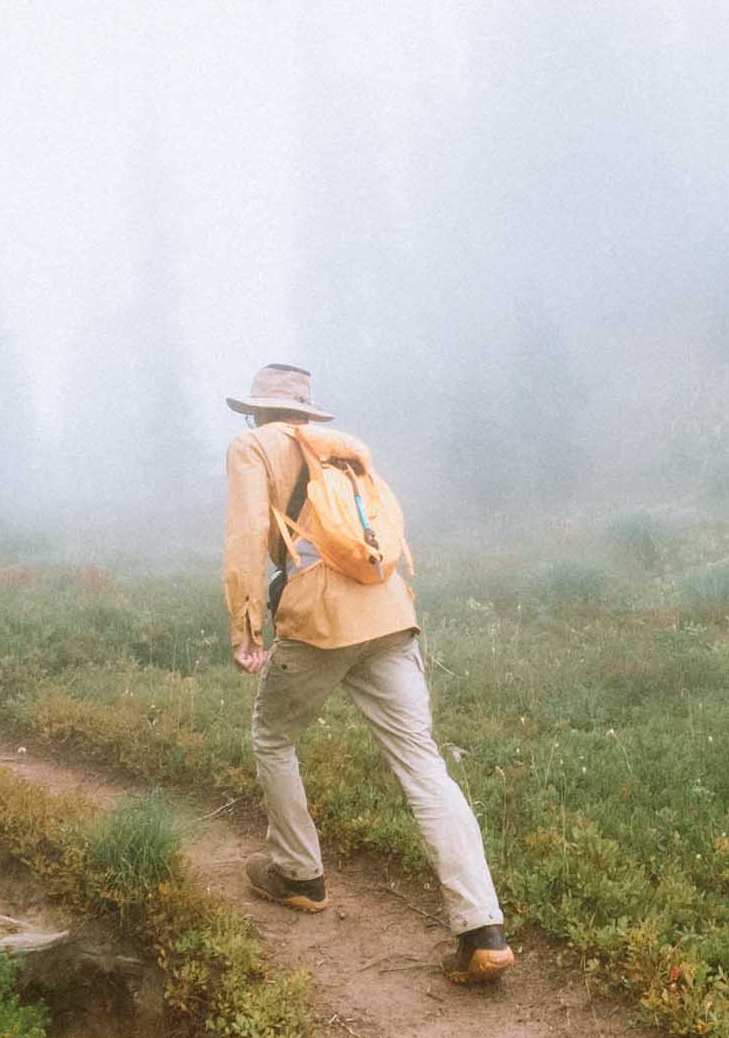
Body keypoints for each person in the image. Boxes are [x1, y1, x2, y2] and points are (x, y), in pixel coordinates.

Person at [220, 362, 514, 985]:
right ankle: (482, 931)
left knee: (274, 738)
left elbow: (247, 536)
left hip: (322, 618)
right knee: (424, 766)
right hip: (388, 611)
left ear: (257, 412)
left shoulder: (252, 447)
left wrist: (246, 626)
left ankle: (297, 873)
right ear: (306, 413)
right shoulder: (343, 452)